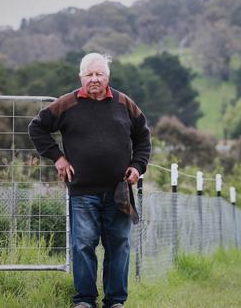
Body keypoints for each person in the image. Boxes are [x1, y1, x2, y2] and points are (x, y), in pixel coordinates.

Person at [28, 53, 151, 308]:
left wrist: (138, 167)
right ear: (80, 76)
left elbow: (143, 137)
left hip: (119, 191)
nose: (94, 79)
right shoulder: (67, 104)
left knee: (119, 245)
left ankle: (116, 301)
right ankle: (84, 300)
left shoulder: (124, 103)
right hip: (82, 191)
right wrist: (58, 158)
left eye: (99, 74)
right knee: (83, 245)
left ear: (108, 76)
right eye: (89, 75)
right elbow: (37, 127)